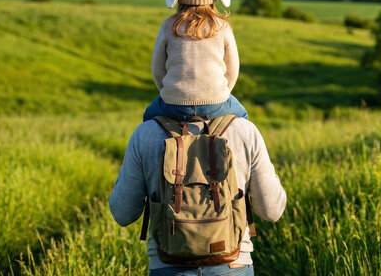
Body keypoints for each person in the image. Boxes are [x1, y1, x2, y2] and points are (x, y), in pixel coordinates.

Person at [109, 117, 287, 275]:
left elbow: (123, 214)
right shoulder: (244, 130)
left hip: (167, 265)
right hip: (233, 266)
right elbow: (271, 211)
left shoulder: (145, 133)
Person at [143, 0, 248, 122]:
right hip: (216, 103)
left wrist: (168, 92)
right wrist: (222, 92)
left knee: (148, 117)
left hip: (174, 104)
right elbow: (232, 69)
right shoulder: (223, 27)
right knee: (242, 116)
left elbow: (157, 68)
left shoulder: (168, 26)